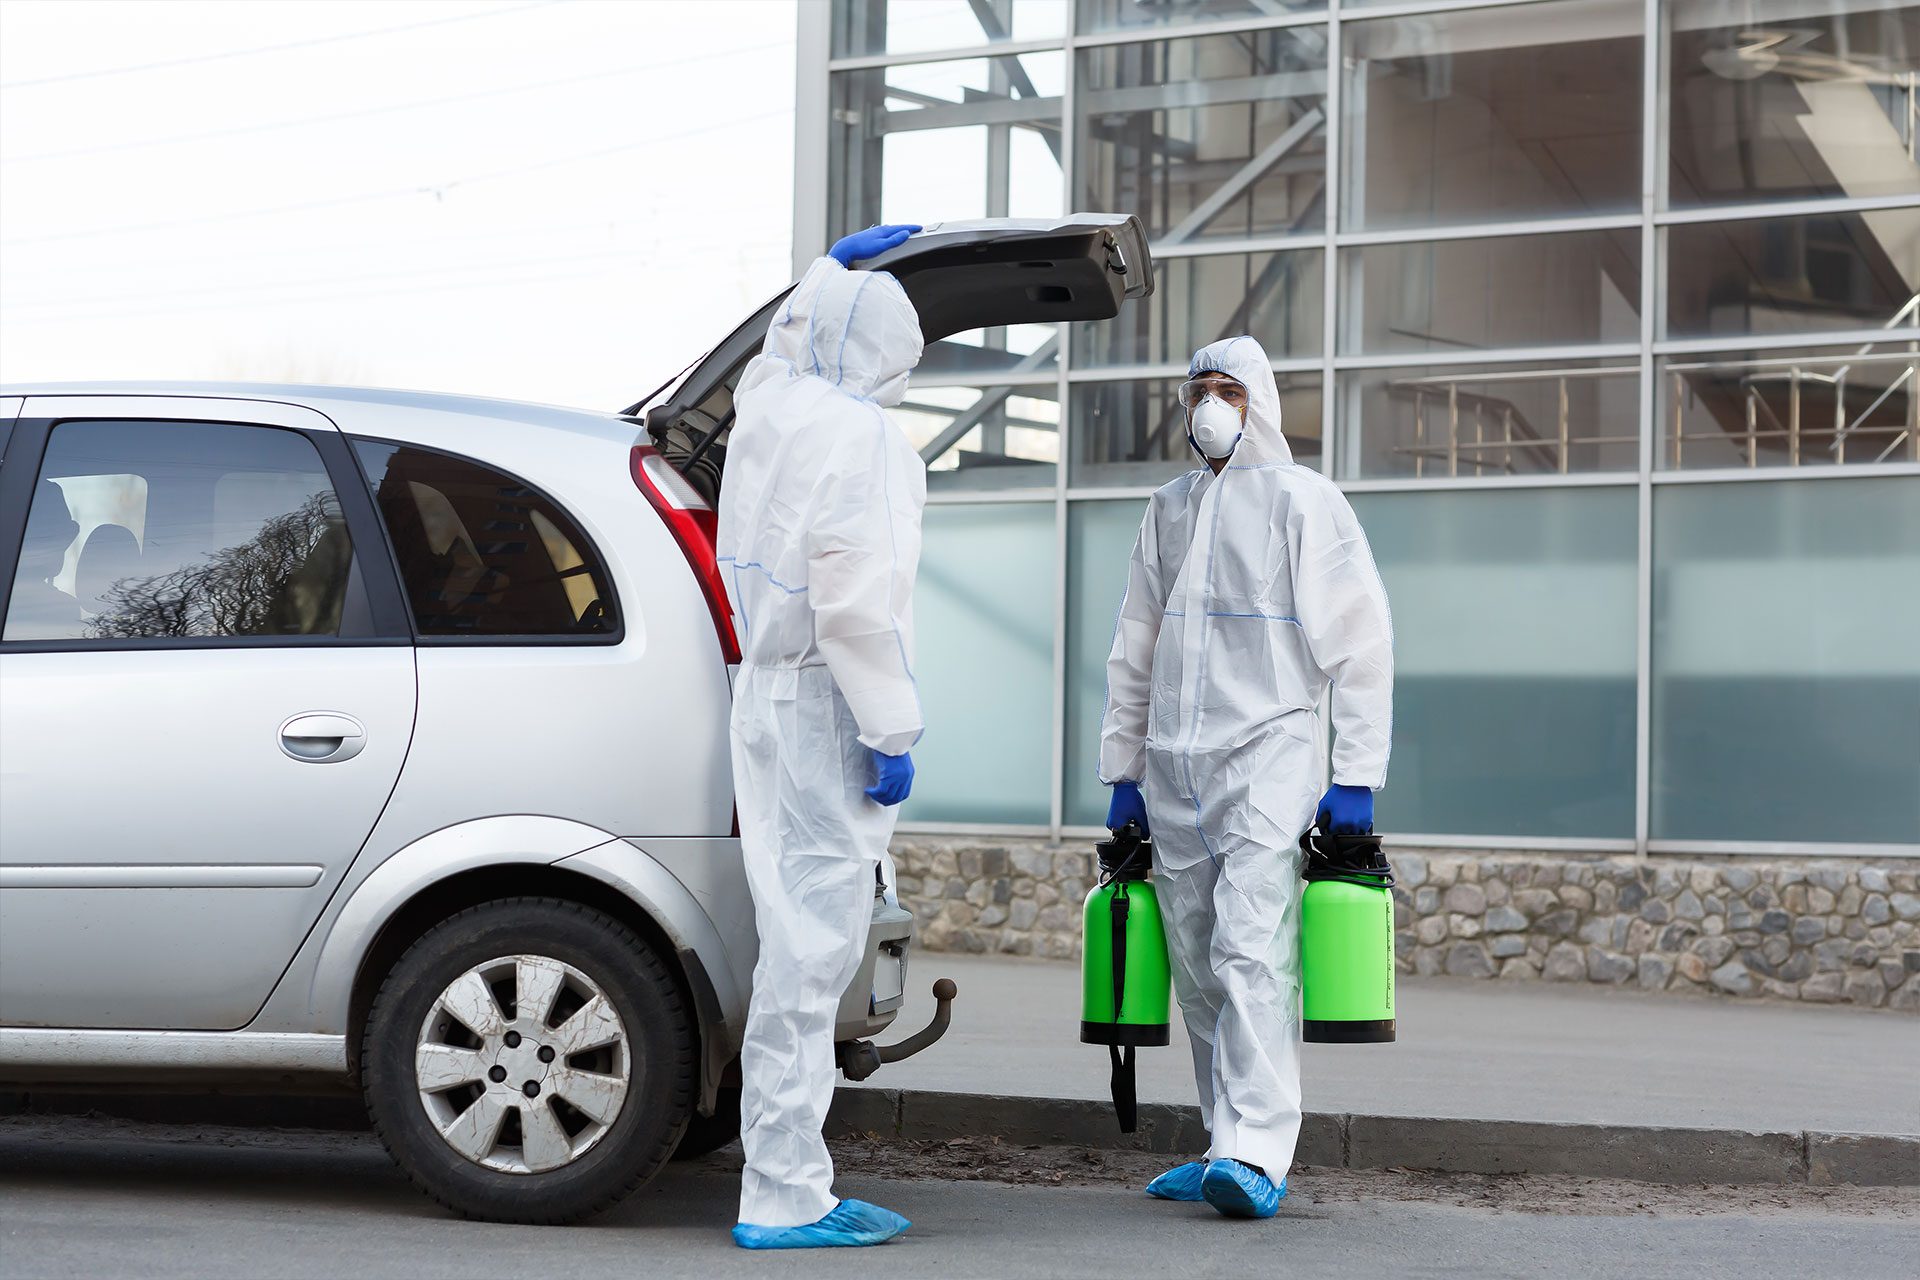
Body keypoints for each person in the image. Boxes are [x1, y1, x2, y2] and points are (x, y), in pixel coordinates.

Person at [1098, 335, 1393, 1219]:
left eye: (1228, 390)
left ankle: (1258, 1150)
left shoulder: (1305, 501)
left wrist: (1356, 773)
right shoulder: (1169, 508)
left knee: (1253, 949)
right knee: (1196, 961)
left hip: (1267, 755)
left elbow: (1362, 644)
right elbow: (1134, 646)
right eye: (1198, 392)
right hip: (1174, 765)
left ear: (1257, 400)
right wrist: (1123, 771)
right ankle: (1221, 1137)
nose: (1209, 407)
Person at [717, 223, 926, 1250]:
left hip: (763, 695)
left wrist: (823, 275)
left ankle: (784, 1174)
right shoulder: (865, 437)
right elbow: (854, 604)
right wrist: (892, 726)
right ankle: (785, 1191)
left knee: (788, 942)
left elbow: (770, 360)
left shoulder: (768, 412)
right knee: (813, 953)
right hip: (825, 703)